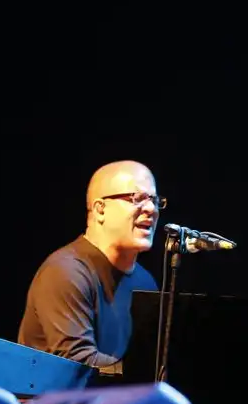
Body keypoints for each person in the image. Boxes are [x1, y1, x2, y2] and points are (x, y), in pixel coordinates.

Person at [18, 160, 161, 375]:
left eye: (155, 200)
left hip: (118, 396)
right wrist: (148, 376)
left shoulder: (145, 282)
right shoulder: (66, 272)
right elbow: (78, 362)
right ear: (100, 209)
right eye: (137, 198)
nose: (151, 209)